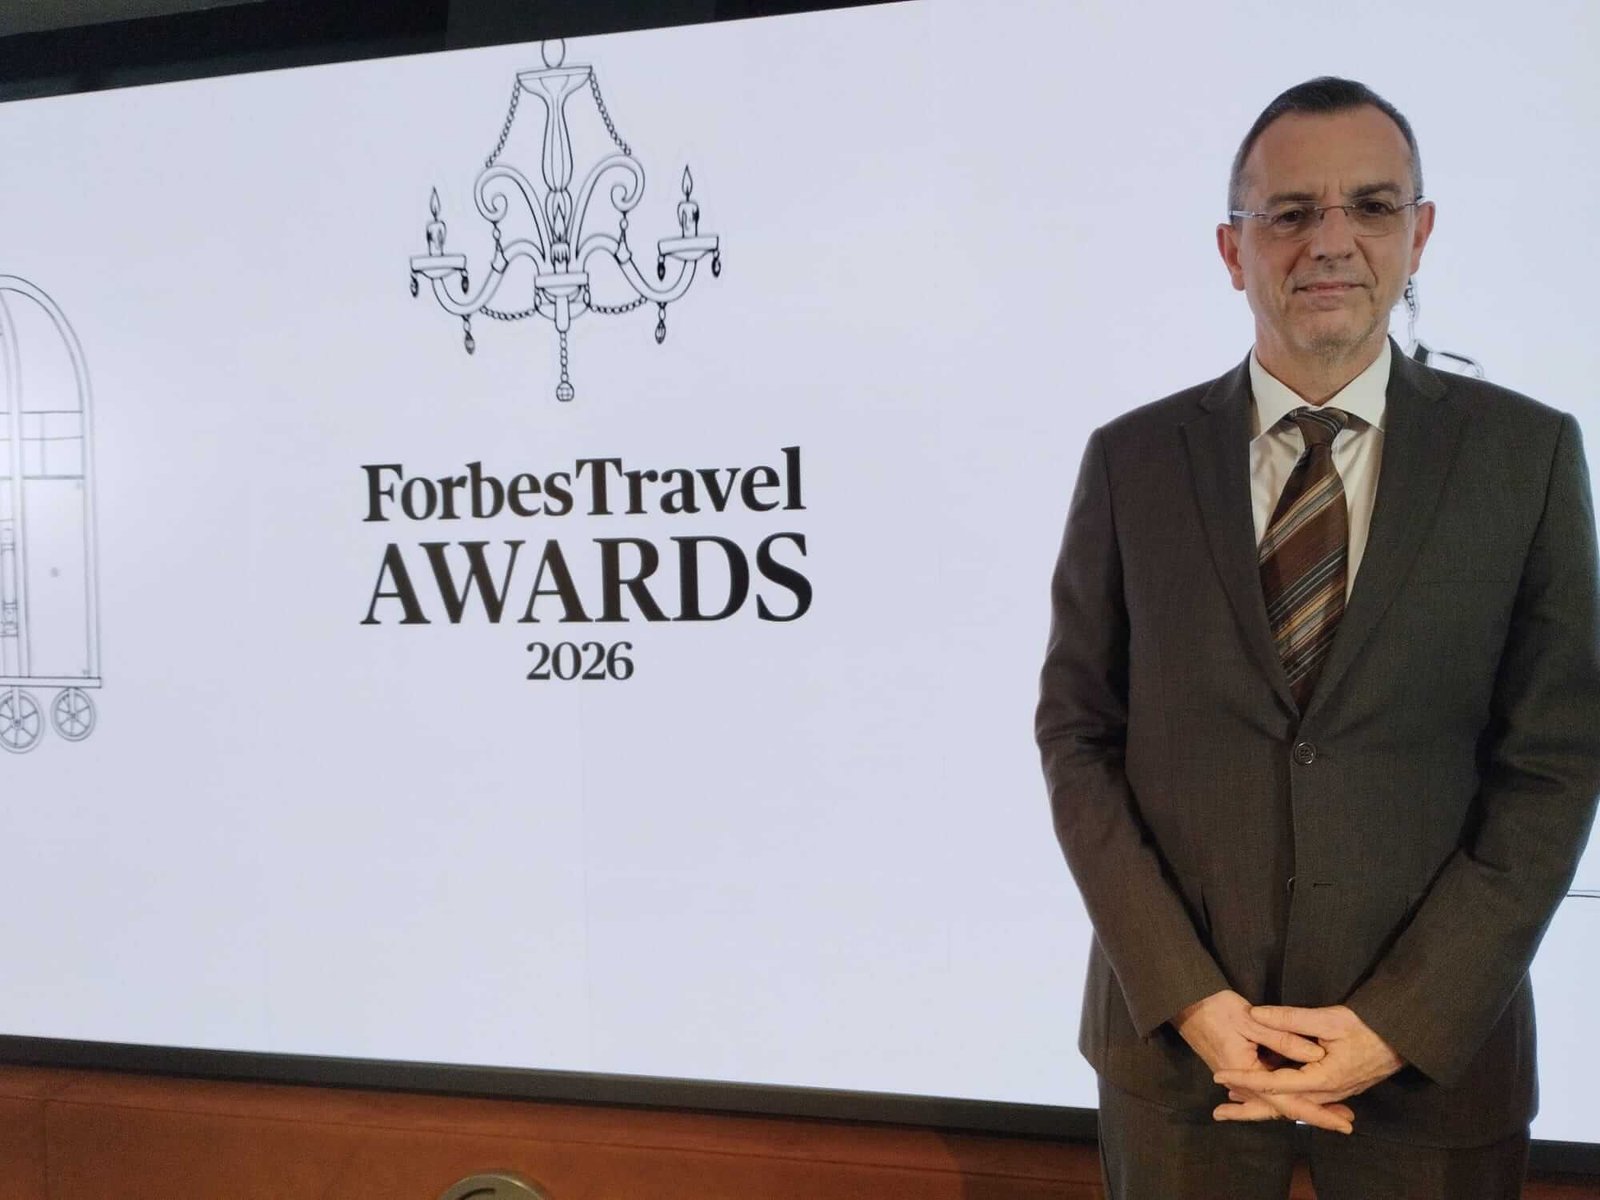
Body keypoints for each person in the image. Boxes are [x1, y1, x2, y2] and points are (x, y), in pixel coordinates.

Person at [1035, 76, 1600, 1200]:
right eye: (1290, 212)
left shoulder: (1526, 457)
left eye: (1372, 206)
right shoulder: (1131, 461)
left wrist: (1403, 1021)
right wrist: (1189, 998)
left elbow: (1555, 763)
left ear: (1419, 233)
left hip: (1434, 1072)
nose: (1330, 240)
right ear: (1231, 248)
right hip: (1181, 1065)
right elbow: (1078, 737)